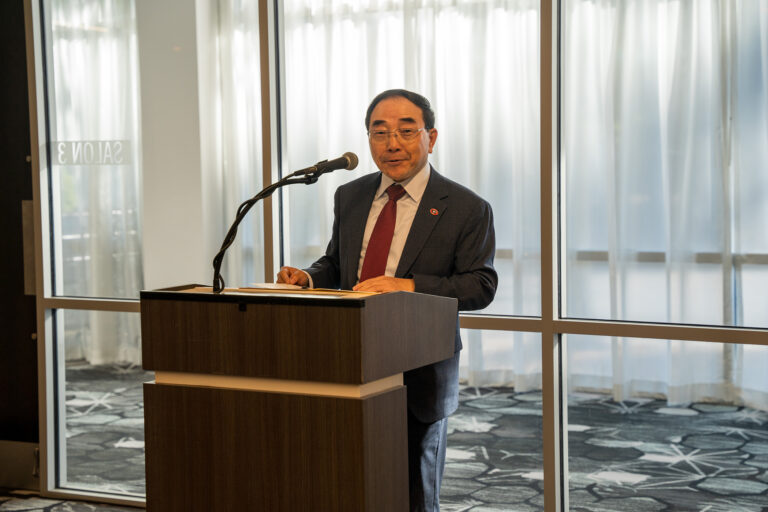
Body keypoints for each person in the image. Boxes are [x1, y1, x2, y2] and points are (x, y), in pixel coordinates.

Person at [277, 89, 497, 511]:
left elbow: (480, 285)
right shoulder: (351, 195)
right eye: (380, 132)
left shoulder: (466, 207)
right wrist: (308, 277)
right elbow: (340, 263)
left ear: (431, 138)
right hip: (349, 359)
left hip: (418, 367)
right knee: (347, 480)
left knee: (413, 490)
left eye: (405, 131)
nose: (392, 143)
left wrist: (409, 286)